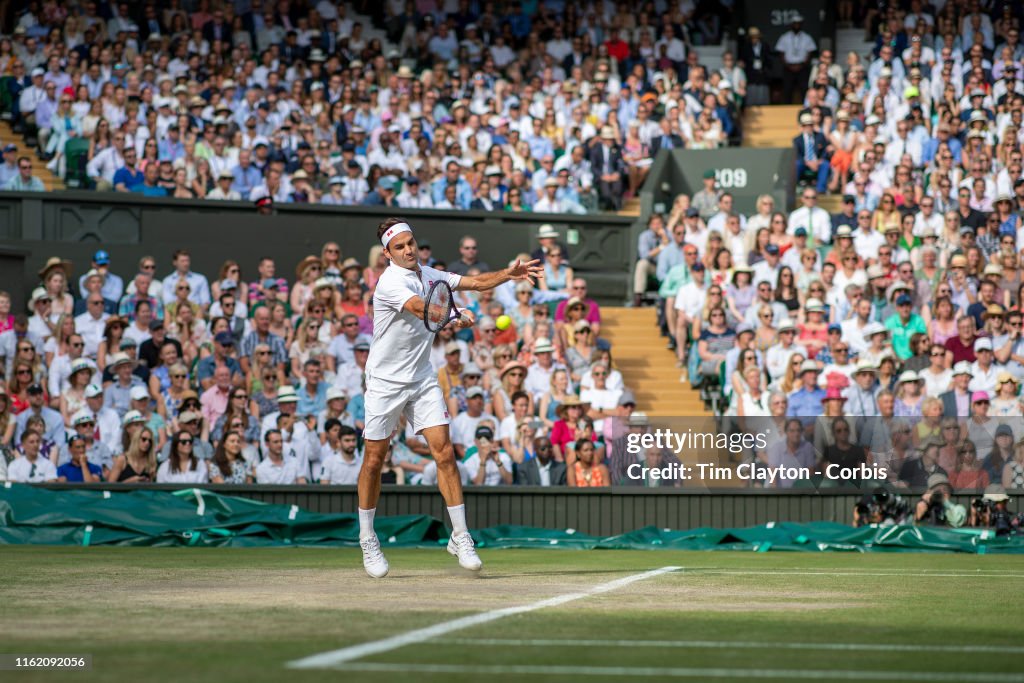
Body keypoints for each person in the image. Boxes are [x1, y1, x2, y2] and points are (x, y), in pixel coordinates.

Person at [356, 217, 542, 578]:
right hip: (384, 382)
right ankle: (366, 538)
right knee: (375, 459)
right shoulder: (391, 282)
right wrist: (456, 316)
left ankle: (460, 536)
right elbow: (422, 309)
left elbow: (473, 282)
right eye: (400, 246)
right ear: (387, 254)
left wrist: (508, 273)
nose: (408, 250)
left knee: (445, 452)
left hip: (422, 378)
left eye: (411, 243)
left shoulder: (429, 274)